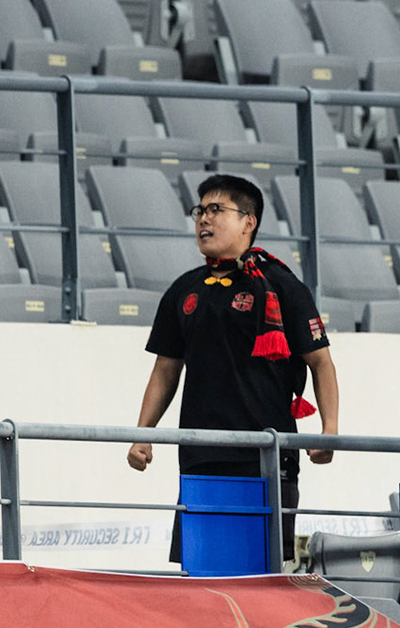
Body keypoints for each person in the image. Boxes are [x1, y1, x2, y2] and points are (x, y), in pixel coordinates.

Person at [129, 173, 338, 566]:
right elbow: (164, 371)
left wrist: (330, 431)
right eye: (199, 211)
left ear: (248, 221)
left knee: (259, 582)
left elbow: (321, 362)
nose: (203, 220)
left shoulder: (282, 286)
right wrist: (143, 435)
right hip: (199, 458)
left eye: (216, 210)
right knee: (202, 580)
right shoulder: (184, 290)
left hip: (265, 456)